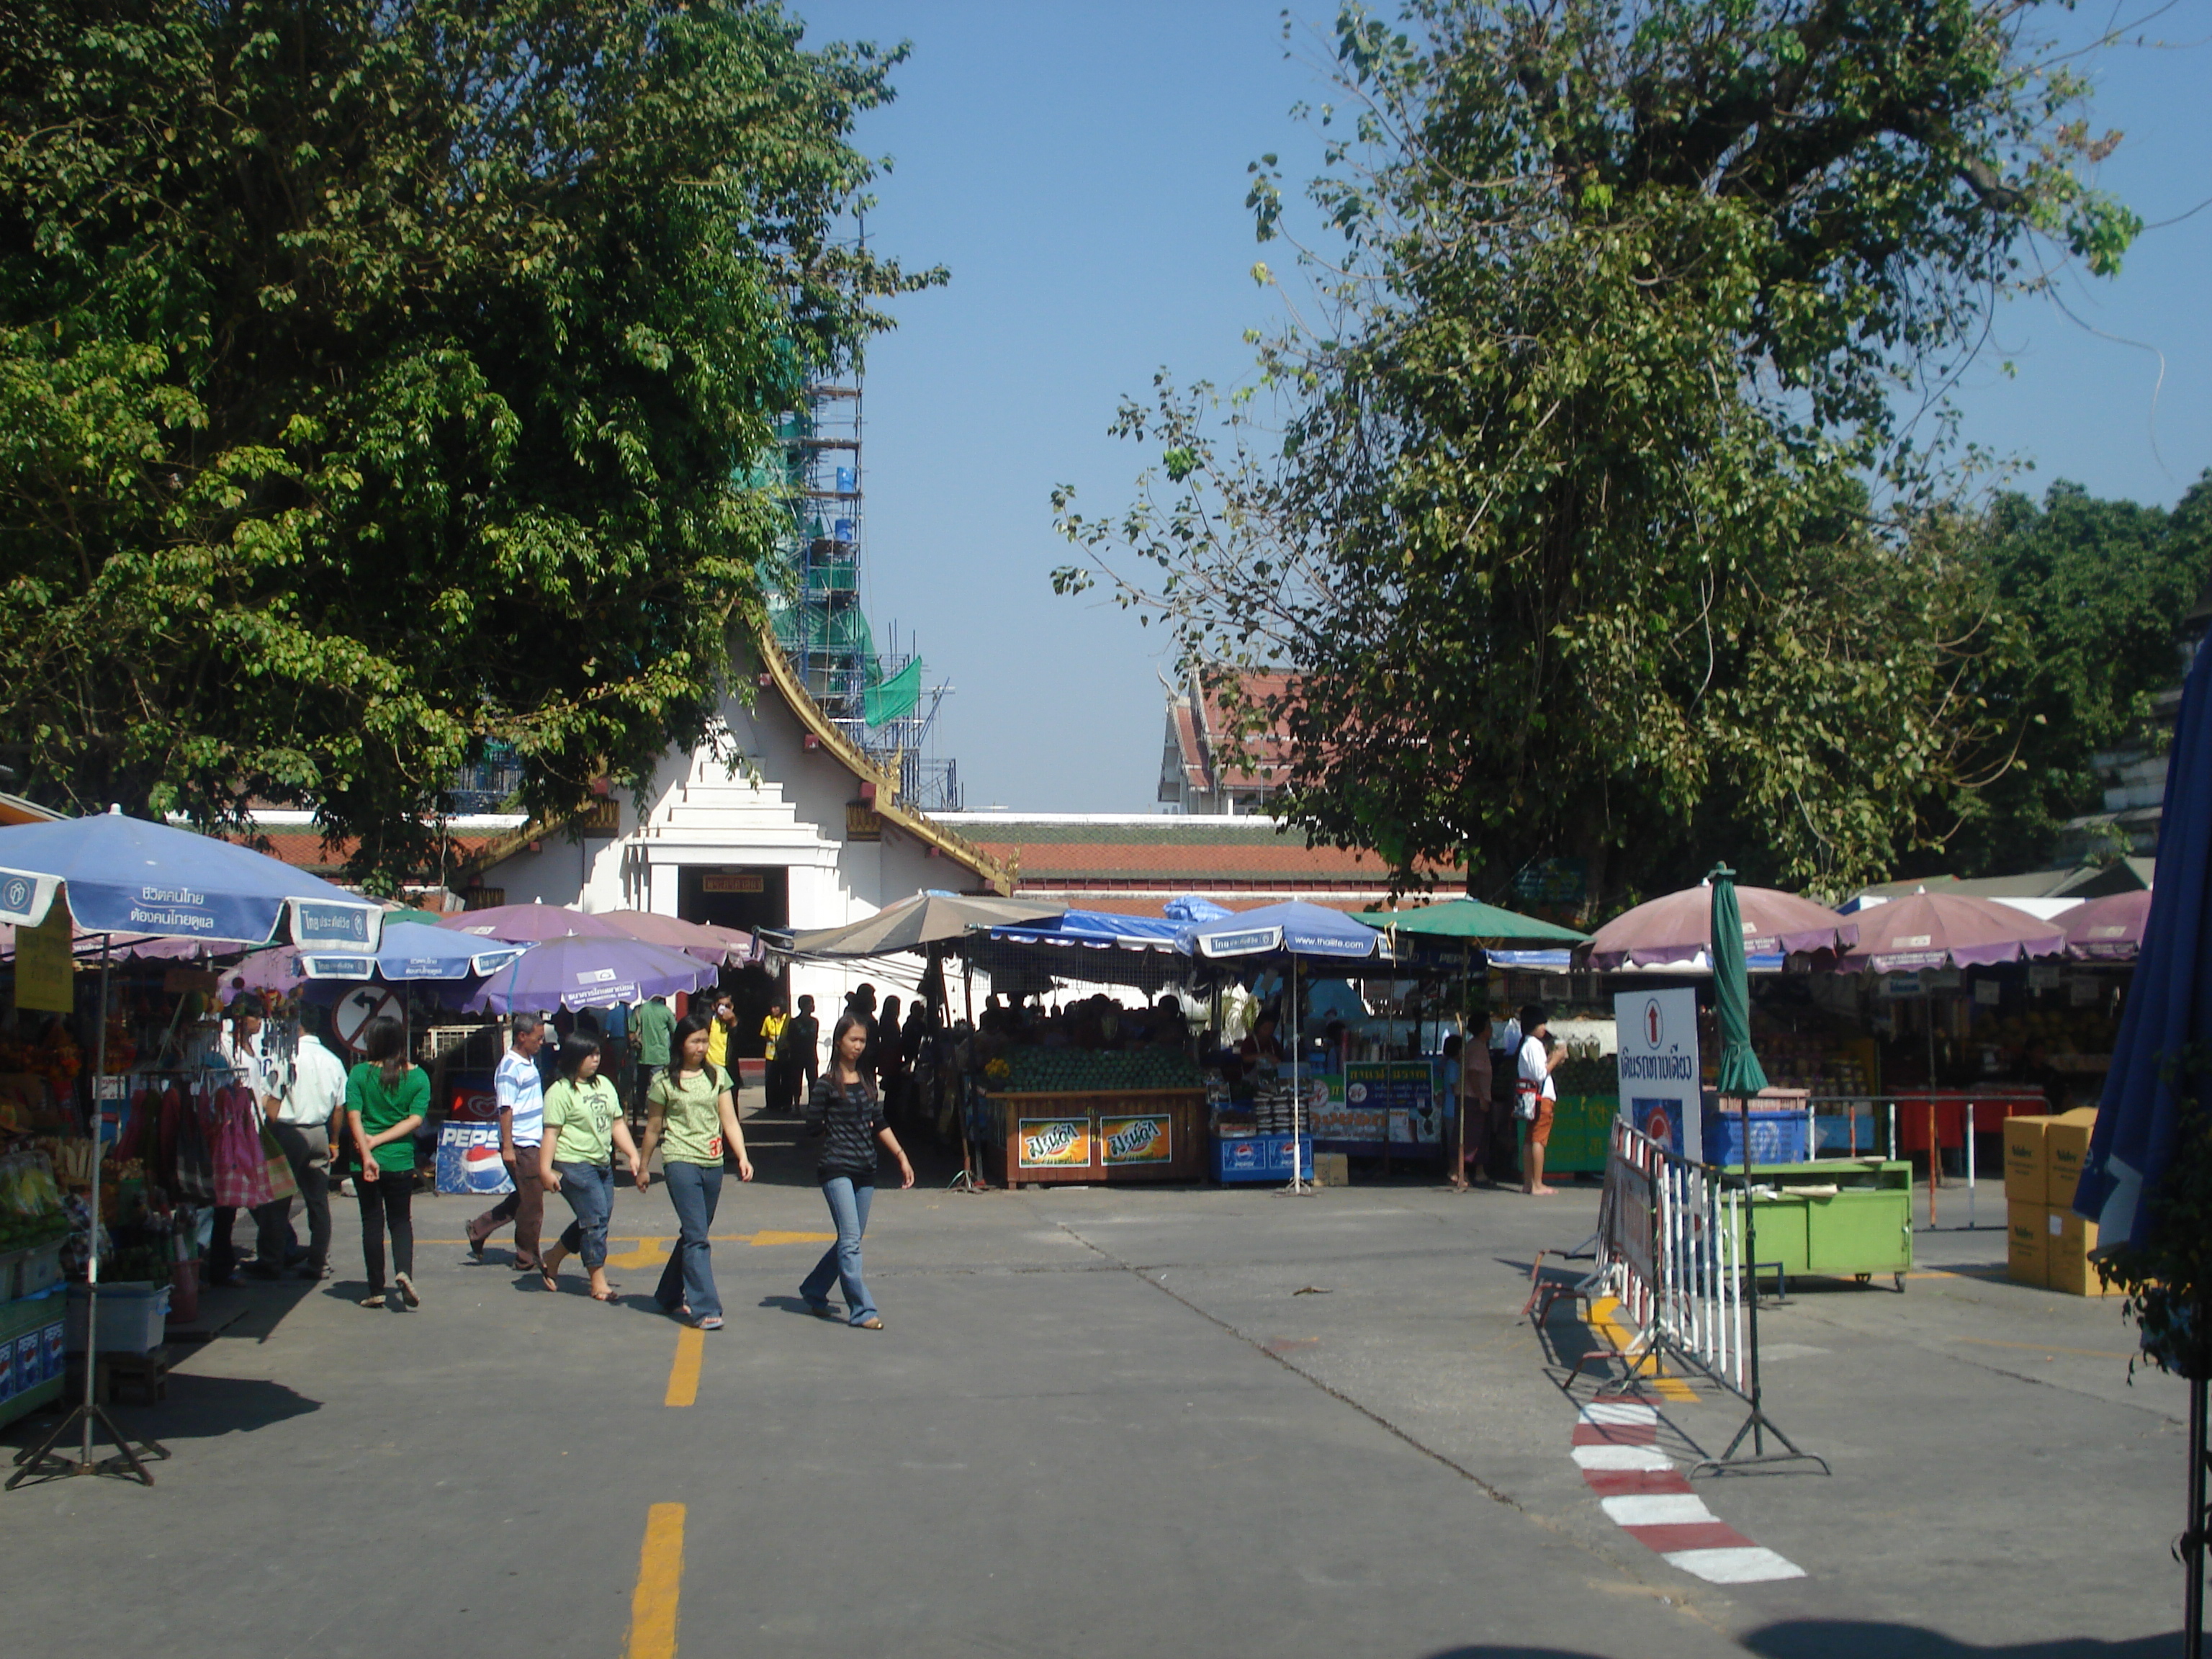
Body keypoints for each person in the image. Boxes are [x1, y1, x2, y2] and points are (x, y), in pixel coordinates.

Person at [800, 1012, 914, 1329]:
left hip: (866, 1168)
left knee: (850, 1240)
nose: (858, 1046)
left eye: (863, 1041)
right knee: (850, 1240)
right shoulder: (825, 1085)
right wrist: (836, 1132)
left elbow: (879, 1122)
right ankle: (862, 1309)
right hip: (837, 1168)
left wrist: (901, 1156)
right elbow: (812, 1126)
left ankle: (813, 1288)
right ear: (839, 1042)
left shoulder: (866, 1083)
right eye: (853, 1040)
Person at [639, 1015, 753, 1329]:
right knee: (697, 1237)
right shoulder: (664, 1080)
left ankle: (666, 1295)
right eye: (695, 1041)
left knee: (694, 1233)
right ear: (681, 1044)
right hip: (680, 1160)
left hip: (713, 1163)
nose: (702, 1048)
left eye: (705, 1041)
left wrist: (742, 1156)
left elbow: (729, 1120)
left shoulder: (717, 1076)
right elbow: (653, 1127)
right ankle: (705, 1307)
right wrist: (643, 1166)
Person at [537, 1032, 644, 1302]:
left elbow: (616, 1123)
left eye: (597, 1054)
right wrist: (545, 1170)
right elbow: (551, 1133)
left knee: (596, 1217)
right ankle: (598, 1282)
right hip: (572, 1162)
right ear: (575, 1058)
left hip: (601, 1162)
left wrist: (633, 1154)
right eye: (590, 1055)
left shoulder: (604, 1085)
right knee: (595, 1217)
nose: (596, 1059)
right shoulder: (560, 1091)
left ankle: (553, 1256)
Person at [256, 1004, 348, 1280]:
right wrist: (334, 1142)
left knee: (277, 1201)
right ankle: (319, 1261)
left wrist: (267, 1134)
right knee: (318, 1201)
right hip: (319, 1131)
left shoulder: (286, 1056)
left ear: (296, 1026)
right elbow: (339, 1107)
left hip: (289, 1133)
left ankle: (272, 1261)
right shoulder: (332, 1060)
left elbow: (272, 1100)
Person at [344, 1017, 429, 1308]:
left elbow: (353, 1115)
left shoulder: (358, 1074)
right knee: (400, 1221)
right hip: (400, 1161)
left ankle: (376, 1289)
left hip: (364, 1162)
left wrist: (368, 1152)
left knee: (372, 1222)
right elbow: (415, 1120)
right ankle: (404, 1271)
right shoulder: (417, 1077)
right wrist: (380, 1142)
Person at [467, 1013, 548, 1272]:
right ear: (522, 1037)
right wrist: (508, 1147)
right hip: (521, 1143)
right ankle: (527, 1256)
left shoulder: (528, 1061)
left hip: (534, 1139)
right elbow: (505, 1108)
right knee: (533, 1204)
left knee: (527, 1196)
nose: (541, 1043)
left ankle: (480, 1228)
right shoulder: (509, 1067)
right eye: (538, 1038)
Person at [210, 995, 276, 1285]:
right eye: (255, 1017)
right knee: (228, 1202)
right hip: (232, 1132)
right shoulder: (225, 1048)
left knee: (251, 1194)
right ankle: (220, 1264)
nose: (260, 1022)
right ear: (240, 1018)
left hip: (251, 1130)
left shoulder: (250, 1047)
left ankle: (279, 1245)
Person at [1516, 1003, 1563, 1197]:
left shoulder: (1527, 1044)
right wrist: (1557, 1057)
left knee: (1530, 1139)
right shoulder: (1533, 1045)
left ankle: (1530, 1182)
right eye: (1541, 1024)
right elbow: (1540, 1073)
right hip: (1540, 1098)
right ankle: (1536, 1183)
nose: (1544, 1028)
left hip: (1532, 1097)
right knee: (1538, 1140)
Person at [1459, 1026, 1493, 1190]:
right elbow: (1472, 1073)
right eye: (1489, 1026)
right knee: (1473, 1135)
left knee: (1478, 1135)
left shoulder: (1476, 1045)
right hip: (1474, 1097)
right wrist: (1480, 1097)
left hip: (1477, 1095)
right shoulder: (1477, 1047)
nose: (1491, 1029)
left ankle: (1478, 1171)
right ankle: (1463, 1171)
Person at [777, 994, 820, 1115]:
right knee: (797, 1080)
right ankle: (796, 1104)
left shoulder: (814, 1022)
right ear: (805, 1006)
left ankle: (812, 1104)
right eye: (811, 1003)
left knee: (813, 1080)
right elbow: (790, 1039)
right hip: (798, 1055)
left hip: (810, 1054)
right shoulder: (794, 1023)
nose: (813, 1006)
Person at [634, 994, 674, 1125]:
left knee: (641, 1084)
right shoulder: (666, 1011)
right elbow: (675, 1030)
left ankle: (640, 1107)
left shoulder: (640, 1009)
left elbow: (631, 1031)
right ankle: (656, 1111)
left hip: (642, 1054)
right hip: (661, 1055)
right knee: (658, 1086)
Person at [759, 999, 788, 1112]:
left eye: (776, 1007)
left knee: (785, 1079)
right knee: (771, 1080)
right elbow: (764, 1034)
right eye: (772, 1007)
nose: (773, 1010)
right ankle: (772, 1104)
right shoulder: (768, 1020)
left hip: (784, 1053)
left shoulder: (787, 1019)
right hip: (771, 1055)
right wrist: (771, 1040)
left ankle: (786, 1104)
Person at [704, 992, 734, 1072]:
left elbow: (739, 1041)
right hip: (710, 1066)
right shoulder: (708, 1022)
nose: (724, 1009)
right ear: (714, 1007)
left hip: (727, 1067)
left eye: (727, 1006)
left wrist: (732, 1021)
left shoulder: (733, 1023)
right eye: (720, 1005)